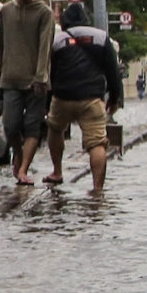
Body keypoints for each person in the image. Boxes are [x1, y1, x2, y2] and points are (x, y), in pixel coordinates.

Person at [46, 18, 124, 193]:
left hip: (63, 97)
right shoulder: (102, 37)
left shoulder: (58, 39)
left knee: (55, 129)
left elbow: (52, 71)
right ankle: (97, 189)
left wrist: (49, 98)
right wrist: (115, 97)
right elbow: (113, 71)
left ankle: (57, 172)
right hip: (92, 98)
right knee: (96, 143)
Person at [0, 0, 56, 190]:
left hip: (35, 82)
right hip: (10, 79)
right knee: (10, 125)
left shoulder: (44, 12)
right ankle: (18, 155)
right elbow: (2, 44)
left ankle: (23, 170)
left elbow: (45, 47)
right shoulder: (6, 11)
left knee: (32, 127)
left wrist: (40, 77)